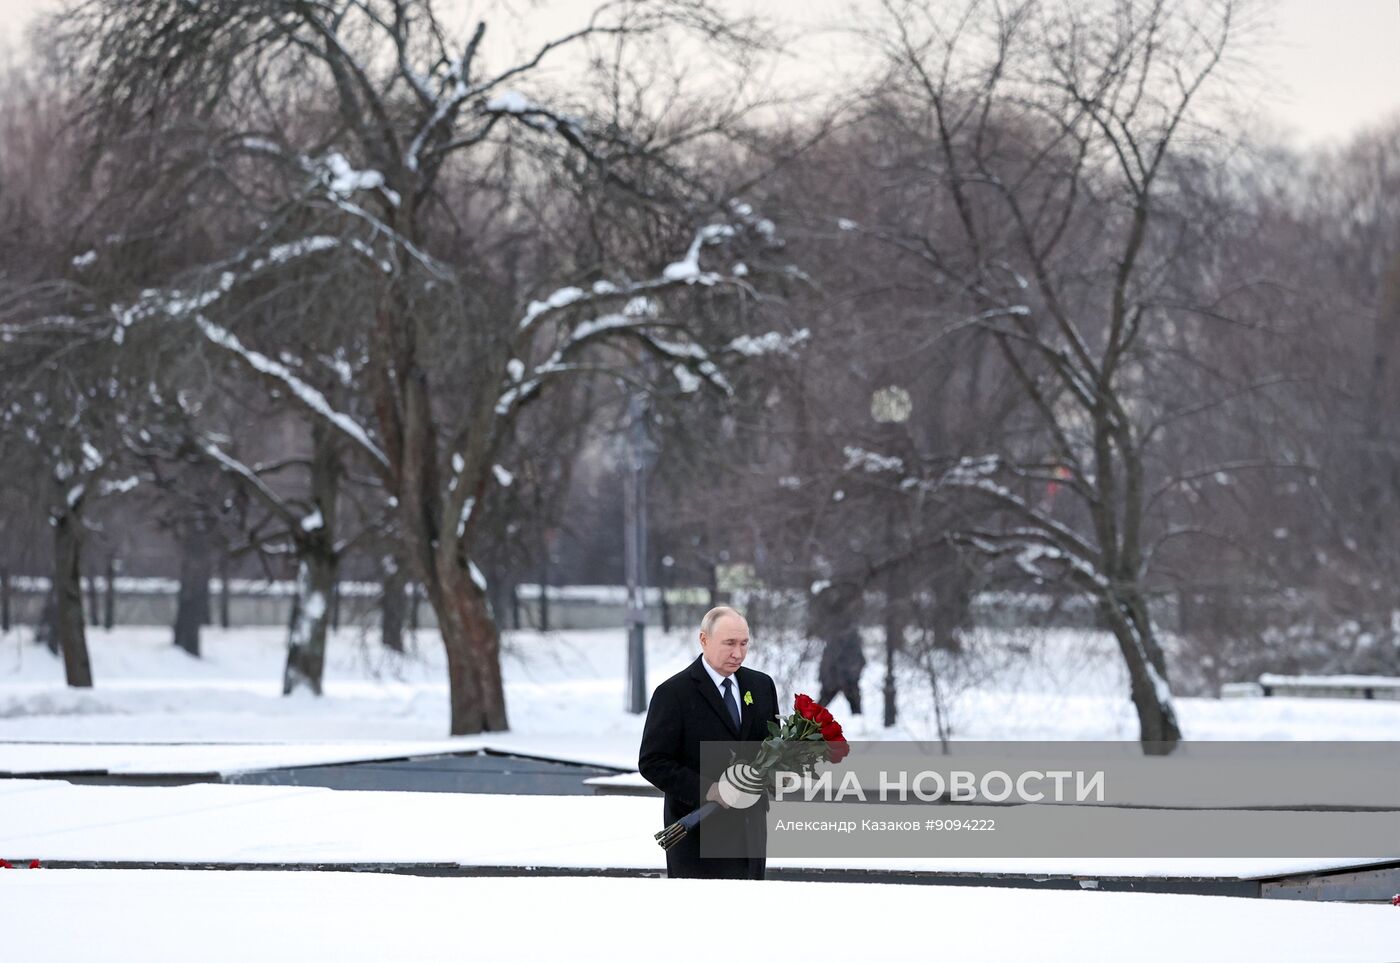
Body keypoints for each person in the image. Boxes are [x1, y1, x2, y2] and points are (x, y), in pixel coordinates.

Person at [638, 605, 779, 880]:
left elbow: (769, 746)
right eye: (729, 643)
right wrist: (710, 789)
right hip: (698, 836)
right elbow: (653, 762)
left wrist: (780, 769)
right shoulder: (673, 693)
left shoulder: (761, 686)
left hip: (750, 833)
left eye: (744, 643)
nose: (738, 653)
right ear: (704, 640)